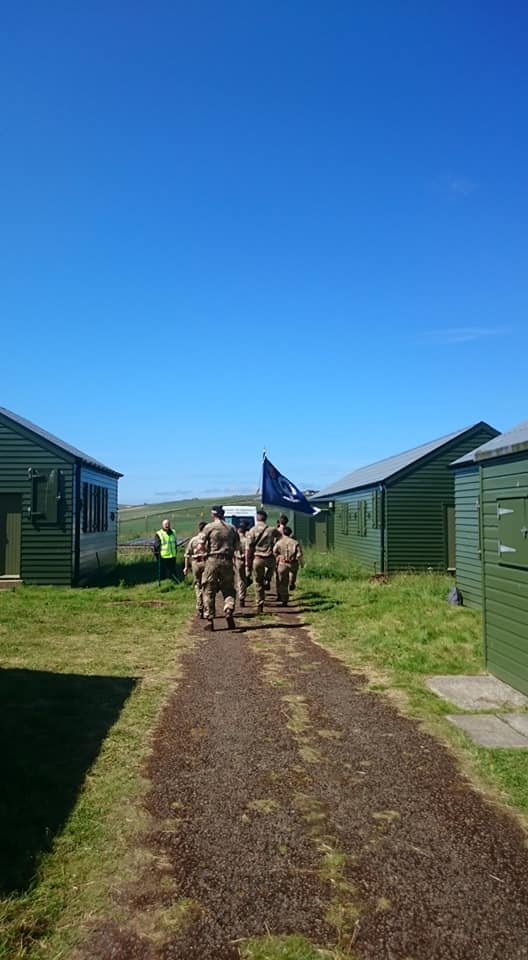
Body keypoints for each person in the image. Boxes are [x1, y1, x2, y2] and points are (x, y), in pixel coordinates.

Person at [201, 505, 239, 631]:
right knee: (228, 588)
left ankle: (210, 619)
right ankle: (228, 608)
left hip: (212, 560)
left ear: (213, 514)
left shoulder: (209, 527)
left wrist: (205, 553)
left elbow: (201, 545)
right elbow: (237, 547)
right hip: (227, 561)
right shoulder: (231, 528)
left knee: (208, 589)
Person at [245, 509, 282, 613]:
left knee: (258, 582)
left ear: (257, 518)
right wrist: (274, 545)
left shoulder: (252, 530)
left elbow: (248, 548)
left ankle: (259, 604)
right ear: (266, 518)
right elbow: (281, 537)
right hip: (270, 557)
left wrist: (248, 563)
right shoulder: (271, 530)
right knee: (271, 569)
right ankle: (268, 579)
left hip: (258, 558)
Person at [183, 521, 207, 617]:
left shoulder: (193, 540)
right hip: (205, 562)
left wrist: (186, 567)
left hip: (195, 563)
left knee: (198, 585)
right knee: (207, 585)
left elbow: (187, 555)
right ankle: (207, 608)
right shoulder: (207, 540)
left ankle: (200, 606)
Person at [273, 526, 302, 606]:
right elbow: (299, 554)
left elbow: (274, 551)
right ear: (290, 533)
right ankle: (292, 583)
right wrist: (301, 563)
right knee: (293, 575)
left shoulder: (279, 542)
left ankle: (284, 599)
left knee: (283, 582)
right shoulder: (295, 542)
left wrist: (279, 557)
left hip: (283, 563)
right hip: (293, 563)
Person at [235, 519, 250, 607]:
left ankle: (240, 596)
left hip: (237, 560)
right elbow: (248, 551)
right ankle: (242, 595)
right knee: (244, 579)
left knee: (239, 579)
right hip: (245, 560)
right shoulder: (246, 540)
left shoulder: (235, 540)